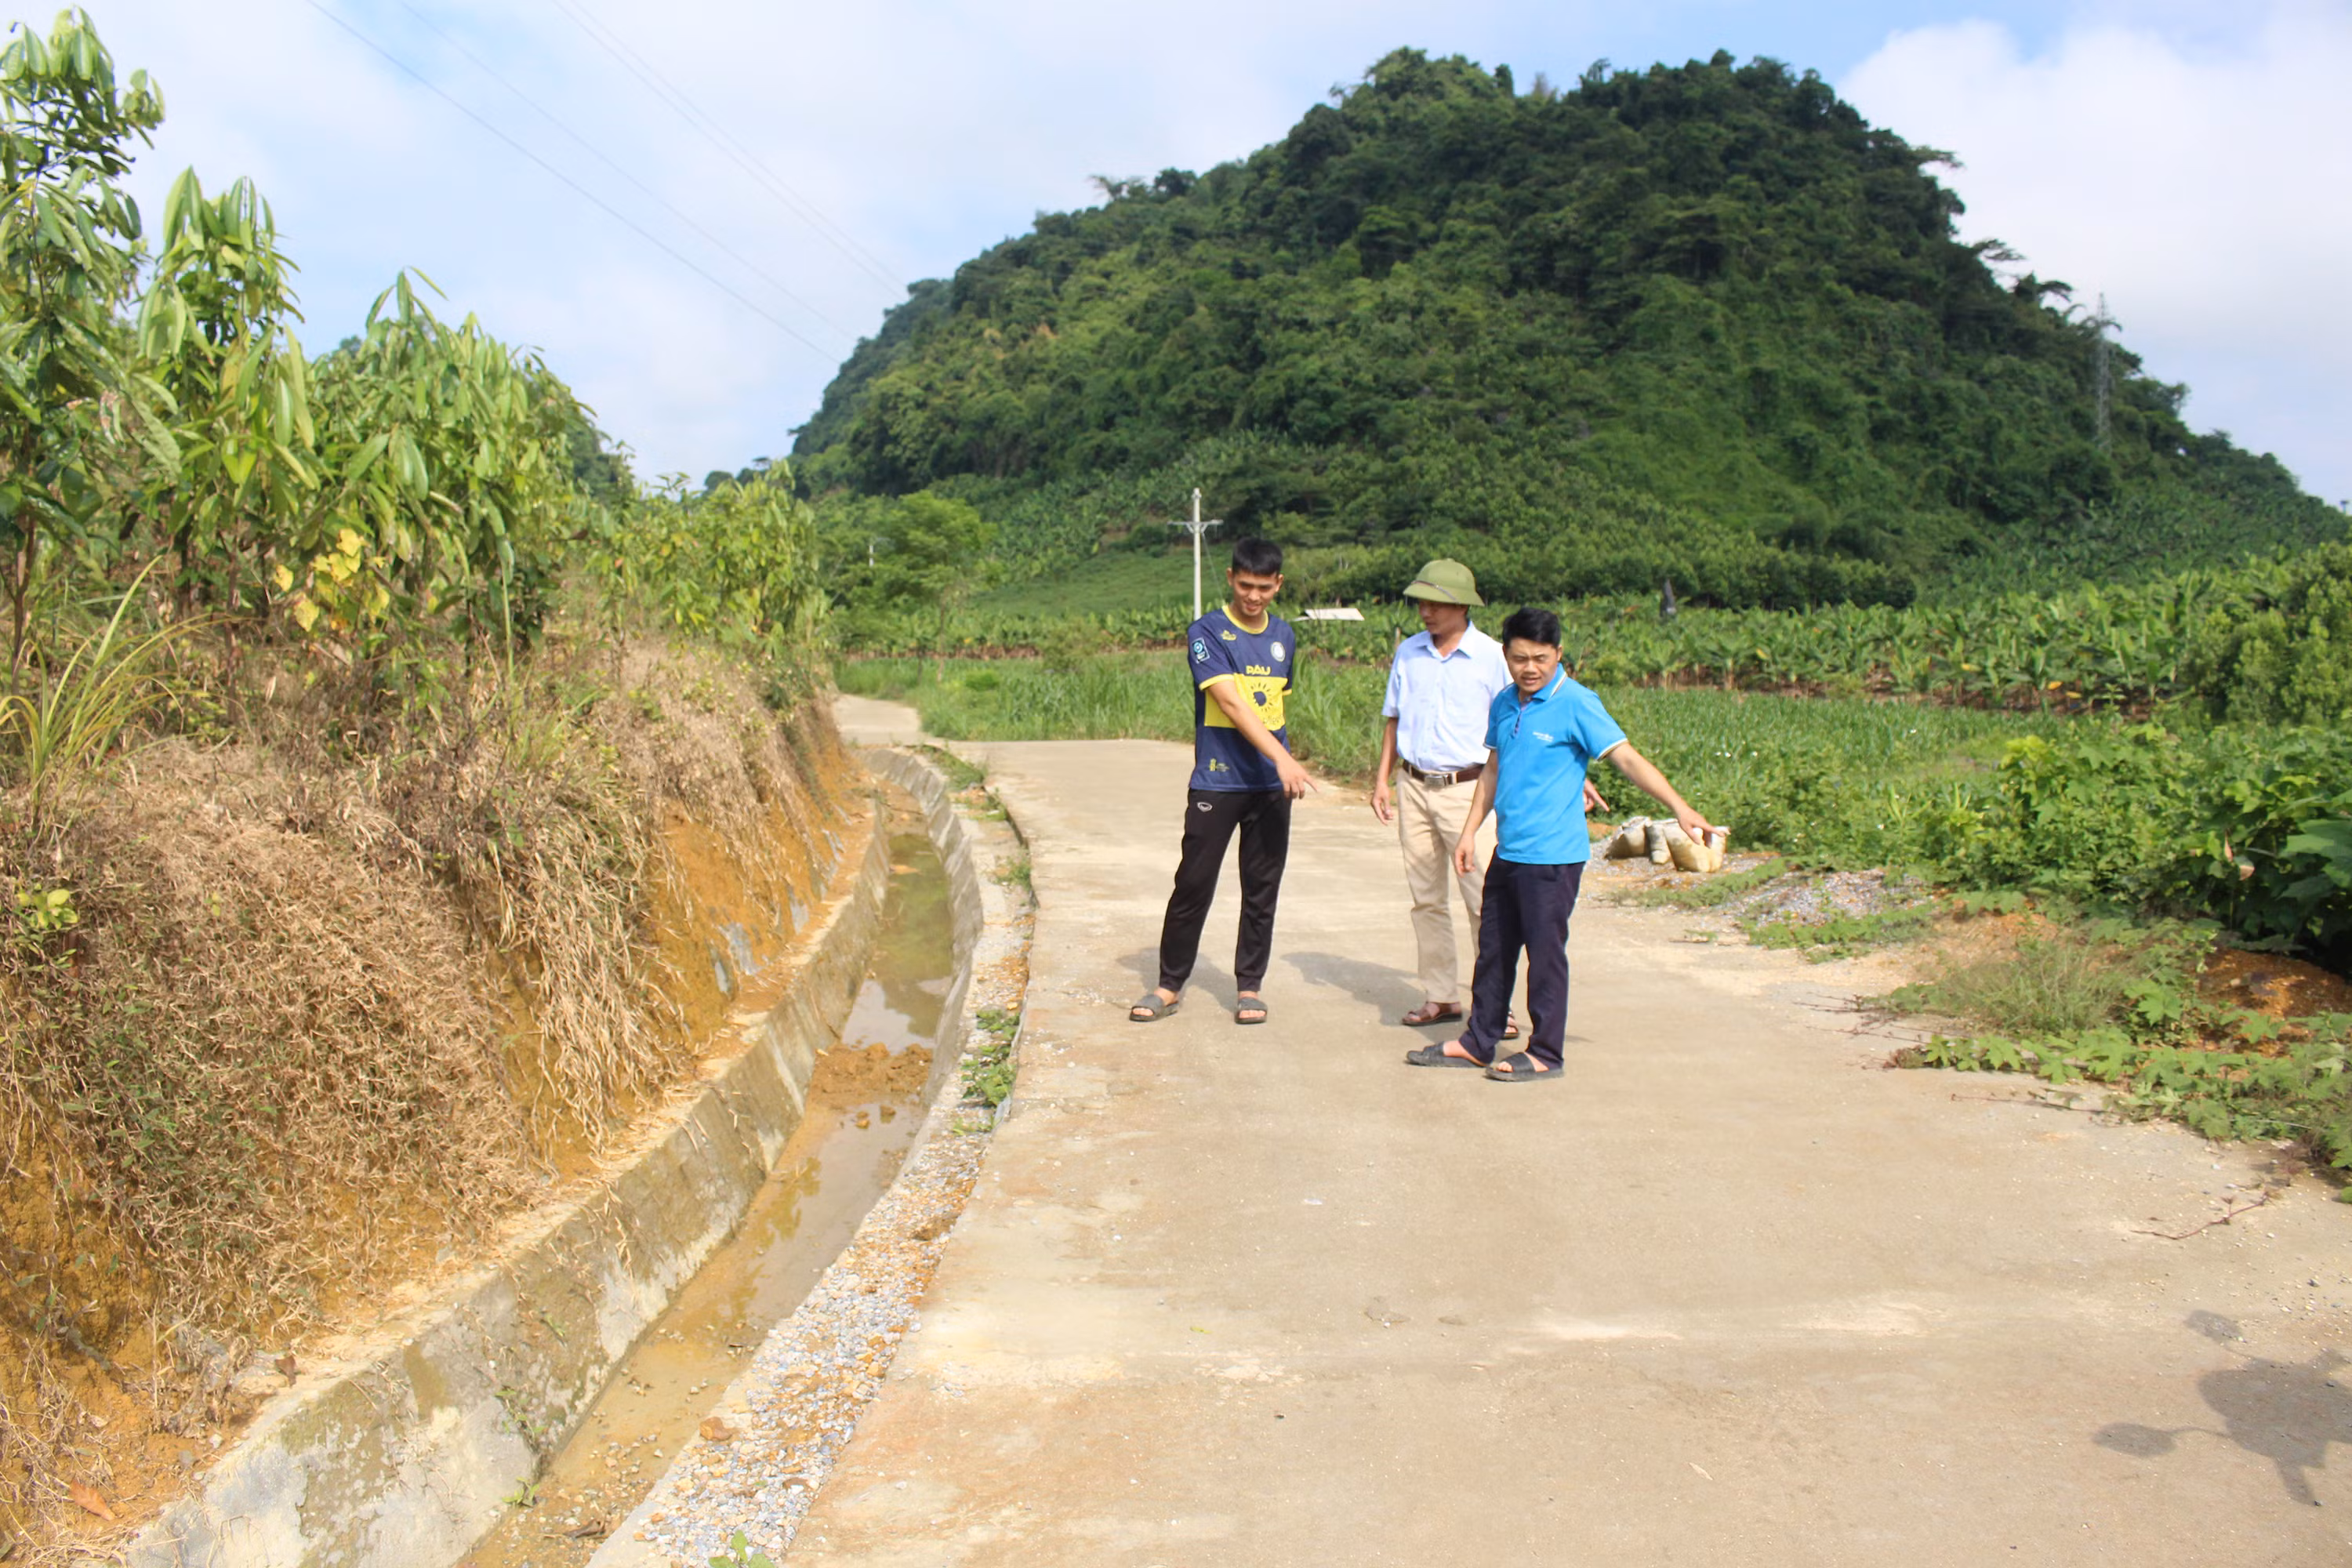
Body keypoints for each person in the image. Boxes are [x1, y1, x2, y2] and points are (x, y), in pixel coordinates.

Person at [1404, 605, 1718, 1082]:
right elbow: (1491, 771)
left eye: (1541, 659)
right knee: (1494, 950)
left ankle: (1546, 1050)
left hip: (1553, 859)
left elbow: (1627, 759)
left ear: (1559, 655)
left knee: (1544, 955)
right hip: (1507, 852)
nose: (1530, 668)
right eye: (1519, 658)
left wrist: (1681, 807)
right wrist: (1469, 831)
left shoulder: (1577, 702)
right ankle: (1478, 1040)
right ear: (1506, 656)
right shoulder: (1506, 702)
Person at [1370, 559, 1606, 1033]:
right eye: (1422, 602)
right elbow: (1393, 718)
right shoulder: (1410, 653)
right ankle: (1440, 995)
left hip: (1469, 789)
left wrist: (1574, 773)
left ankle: (1497, 1006)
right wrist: (1381, 778)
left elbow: (1530, 714)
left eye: (1436, 602)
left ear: (1462, 605)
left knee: (1485, 902)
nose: (1426, 612)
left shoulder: (1496, 657)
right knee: (1426, 899)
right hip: (1414, 785)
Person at [1130, 538, 1314, 1026]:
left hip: (1270, 788)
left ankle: (1250, 986)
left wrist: (1278, 765)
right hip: (1218, 781)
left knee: (1262, 888)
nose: (1254, 596)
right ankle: (1169, 985)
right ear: (1231, 578)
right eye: (1245, 585)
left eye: (1263, 588)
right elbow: (1232, 704)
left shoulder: (1284, 637)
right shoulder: (1207, 632)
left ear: (1278, 585)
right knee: (1193, 883)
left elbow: (1272, 707)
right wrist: (1285, 759)